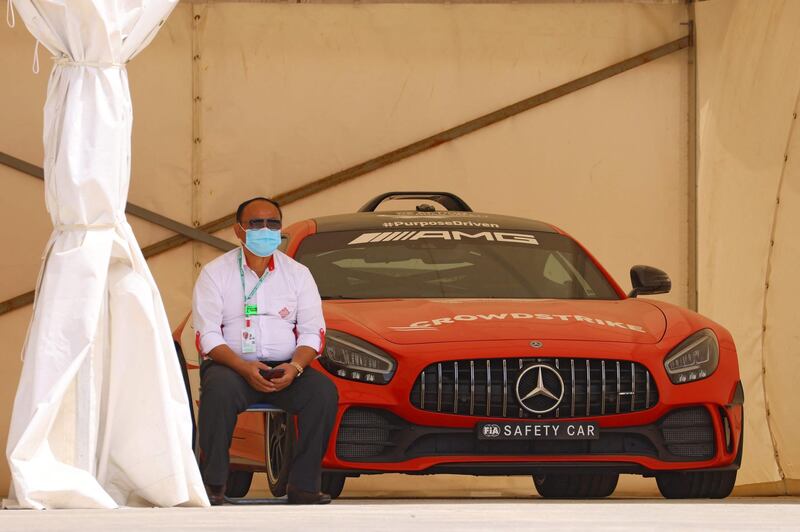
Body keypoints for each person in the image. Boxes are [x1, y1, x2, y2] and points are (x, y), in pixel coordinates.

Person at [192, 196, 338, 505]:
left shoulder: (298, 274)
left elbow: (313, 332)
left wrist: (296, 368)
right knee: (217, 390)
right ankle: (214, 483)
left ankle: (304, 486)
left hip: (286, 368)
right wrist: (244, 368)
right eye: (256, 224)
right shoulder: (215, 273)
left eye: (272, 223)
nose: (265, 230)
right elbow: (206, 335)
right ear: (239, 231)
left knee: (323, 392)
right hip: (232, 368)